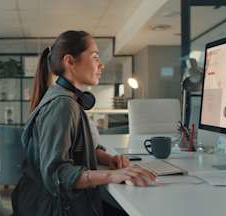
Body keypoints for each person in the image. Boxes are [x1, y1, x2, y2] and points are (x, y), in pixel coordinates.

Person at [11, 30, 156, 216]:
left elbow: (77, 148)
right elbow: (57, 175)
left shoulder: (68, 99)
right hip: (49, 207)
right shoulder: (62, 105)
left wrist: (108, 159)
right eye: (95, 57)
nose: (101, 65)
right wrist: (111, 175)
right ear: (70, 61)